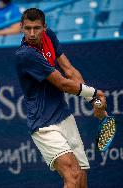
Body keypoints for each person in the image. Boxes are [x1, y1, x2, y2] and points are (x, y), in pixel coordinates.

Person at [15, 8, 107, 188]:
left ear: (45, 27)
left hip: (64, 117)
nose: (32, 33)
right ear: (21, 28)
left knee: (81, 179)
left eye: (37, 28)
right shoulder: (25, 55)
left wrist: (93, 102)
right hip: (43, 125)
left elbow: (69, 70)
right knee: (72, 174)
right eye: (27, 29)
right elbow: (63, 84)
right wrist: (96, 93)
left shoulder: (49, 36)